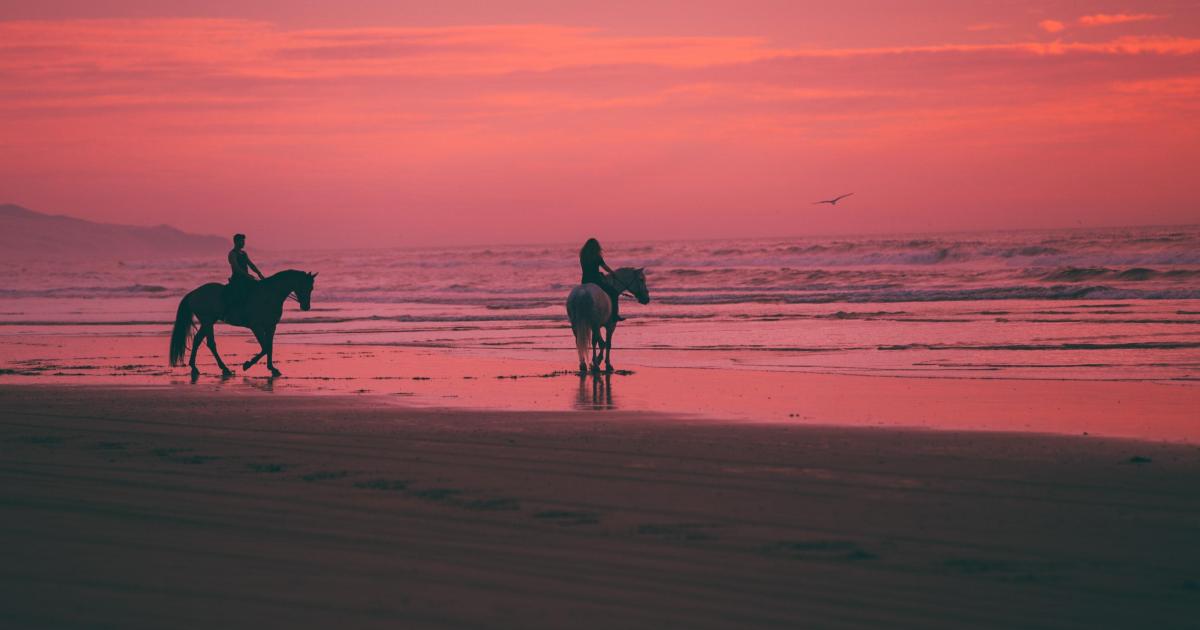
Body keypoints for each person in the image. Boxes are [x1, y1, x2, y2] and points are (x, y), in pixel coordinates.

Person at [579, 237, 624, 323]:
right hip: (596, 281)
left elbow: (588, 269)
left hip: (585, 281)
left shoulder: (583, 256)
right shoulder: (597, 256)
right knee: (614, 293)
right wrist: (612, 273)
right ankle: (614, 315)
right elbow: (605, 267)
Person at [224, 233, 265, 311]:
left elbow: (251, 264)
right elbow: (236, 268)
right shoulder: (232, 254)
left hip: (246, 278)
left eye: (244, 241)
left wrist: (259, 273)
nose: (243, 243)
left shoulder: (244, 253)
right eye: (241, 241)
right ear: (236, 242)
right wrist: (247, 275)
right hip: (237, 279)